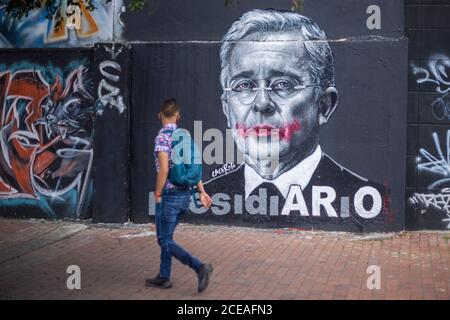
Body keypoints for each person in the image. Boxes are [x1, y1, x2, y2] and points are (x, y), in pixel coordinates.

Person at [203, 9, 389, 228]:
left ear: (324, 105)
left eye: (283, 84)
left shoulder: (372, 200)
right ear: (227, 108)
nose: (261, 103)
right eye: (244, 85)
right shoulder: (203, 199)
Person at [146, 98, 214, 292]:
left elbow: (164, 170)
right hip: (185, 195)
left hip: (169, 194)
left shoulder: (162, 138)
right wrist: (201, 191)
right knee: (167, 237)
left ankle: (200, 267)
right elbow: (192, 167)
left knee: (164, 240)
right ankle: (164, 276)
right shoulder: (184, 136)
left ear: (160, 115)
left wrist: (158, 194)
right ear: (178, 116)